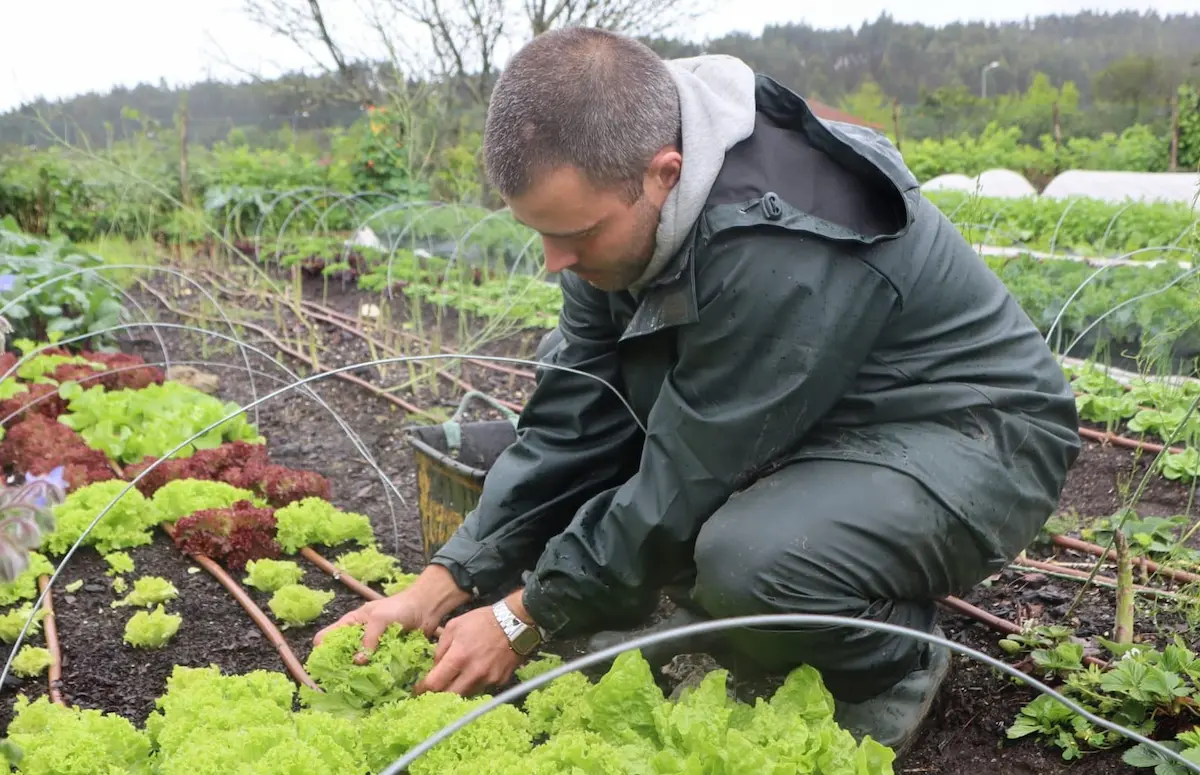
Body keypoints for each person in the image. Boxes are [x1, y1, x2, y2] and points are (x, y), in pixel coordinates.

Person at [315, 27, 1081, 755]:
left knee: (752, 562)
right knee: (658, 512)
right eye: (539, 232)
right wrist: (444, 582)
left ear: (664, 173)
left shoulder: (775, 244)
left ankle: (889, 659)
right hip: (812, 417)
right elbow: (573, 423)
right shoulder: (614, 212)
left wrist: (525, 615)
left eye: (575, 235)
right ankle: (747, 613)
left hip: (971, 433)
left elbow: (687, 476)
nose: (554, 260)